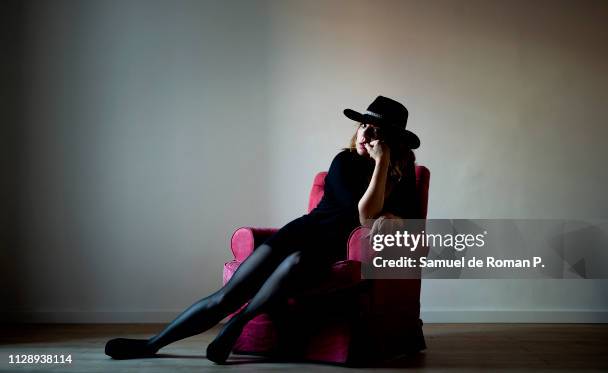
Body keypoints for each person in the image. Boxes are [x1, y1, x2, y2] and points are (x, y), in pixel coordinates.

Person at [104, 95, 421, 364]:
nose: (365, 134)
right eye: (363, 125)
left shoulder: (402, 177)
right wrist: (382, 178)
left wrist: (390, 198)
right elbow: (366, 214)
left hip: (333, 250)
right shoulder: (344, 162)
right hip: (302, 233)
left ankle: (238, 324)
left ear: (391, 141)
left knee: (296, 263)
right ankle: (152, 344)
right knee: (227, 296)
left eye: (376, 130)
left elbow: (382, 220)